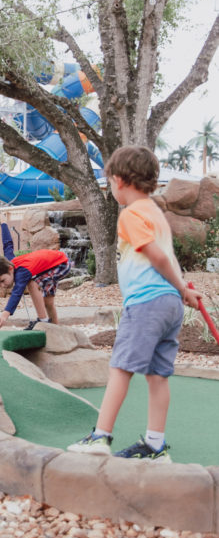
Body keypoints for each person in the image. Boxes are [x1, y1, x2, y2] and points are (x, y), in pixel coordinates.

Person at [67, 145, 201, 462]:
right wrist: (182, 292)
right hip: (170, 305)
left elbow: (155, 257)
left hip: (146, 304)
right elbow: (168, 257)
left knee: (120, 368)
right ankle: (155, 445)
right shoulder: (157, 214)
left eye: (109, 183)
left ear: (119, 180)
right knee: (157, 375)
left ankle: (100, 436)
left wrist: (181, 286)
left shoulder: (131, 214)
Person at [0, 221, 71, 329]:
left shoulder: (22, 272)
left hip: (61, 264)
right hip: (53, 262)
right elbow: (7, 243)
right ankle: (53, 326)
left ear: (10, 269)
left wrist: (5, 314)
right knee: (47, 301)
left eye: (2, 280)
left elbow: (17, 293)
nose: (2, 285)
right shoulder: (9, 261)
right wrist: (3, 223)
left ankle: (43, 321)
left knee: (34, 286)